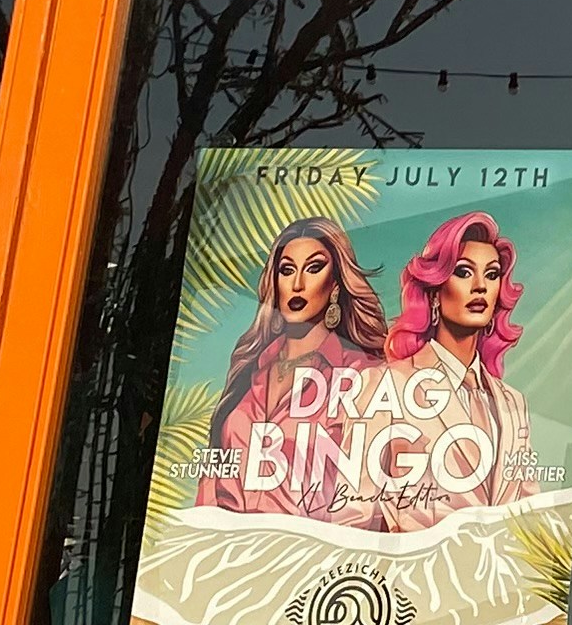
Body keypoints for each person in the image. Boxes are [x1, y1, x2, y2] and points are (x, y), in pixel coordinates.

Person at [207, 217, 395, 522]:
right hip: (228, 559)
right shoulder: (247, 368)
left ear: (335, 284)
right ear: (275, 282)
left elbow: (367, 504)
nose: (297, 284)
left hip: (311, 558)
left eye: (313, 268)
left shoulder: (363, 375)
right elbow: (212, 483)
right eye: (287, 270)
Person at [373, 212, 540, 531]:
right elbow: (355, 511)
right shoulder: (386, 384)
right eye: (463, 272)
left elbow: (529, 511)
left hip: (500, 575)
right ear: (435, 290)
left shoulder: (513, 403)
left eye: (492, 275)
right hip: (412, 574)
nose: (480, 287)